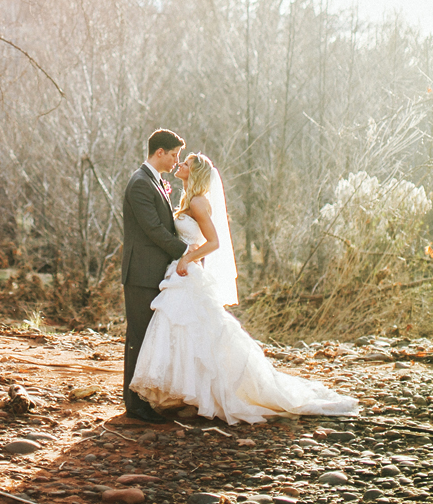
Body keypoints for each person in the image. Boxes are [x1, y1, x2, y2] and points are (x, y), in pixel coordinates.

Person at [130, 153, 359, 425]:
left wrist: (187, 257)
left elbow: (213, 242)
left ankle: (211, 393)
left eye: (186, 163)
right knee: (185, 333)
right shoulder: (188, 199)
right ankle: (188, 394)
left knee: (195, 330)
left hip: (187, 271)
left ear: (196, 173)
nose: (180, 164)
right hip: (181, 273)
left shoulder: (198, 202)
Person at [122, 128, 192, 423]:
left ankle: (147, 398)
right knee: (138, 336)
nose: (176, 161)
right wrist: (186, 251)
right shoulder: (140, 183)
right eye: (174, 154)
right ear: (159, 152)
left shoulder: (155, 181)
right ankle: (135, 405)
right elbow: (153, 229)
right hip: (141, 273)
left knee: (151, 337)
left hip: (154, 272)